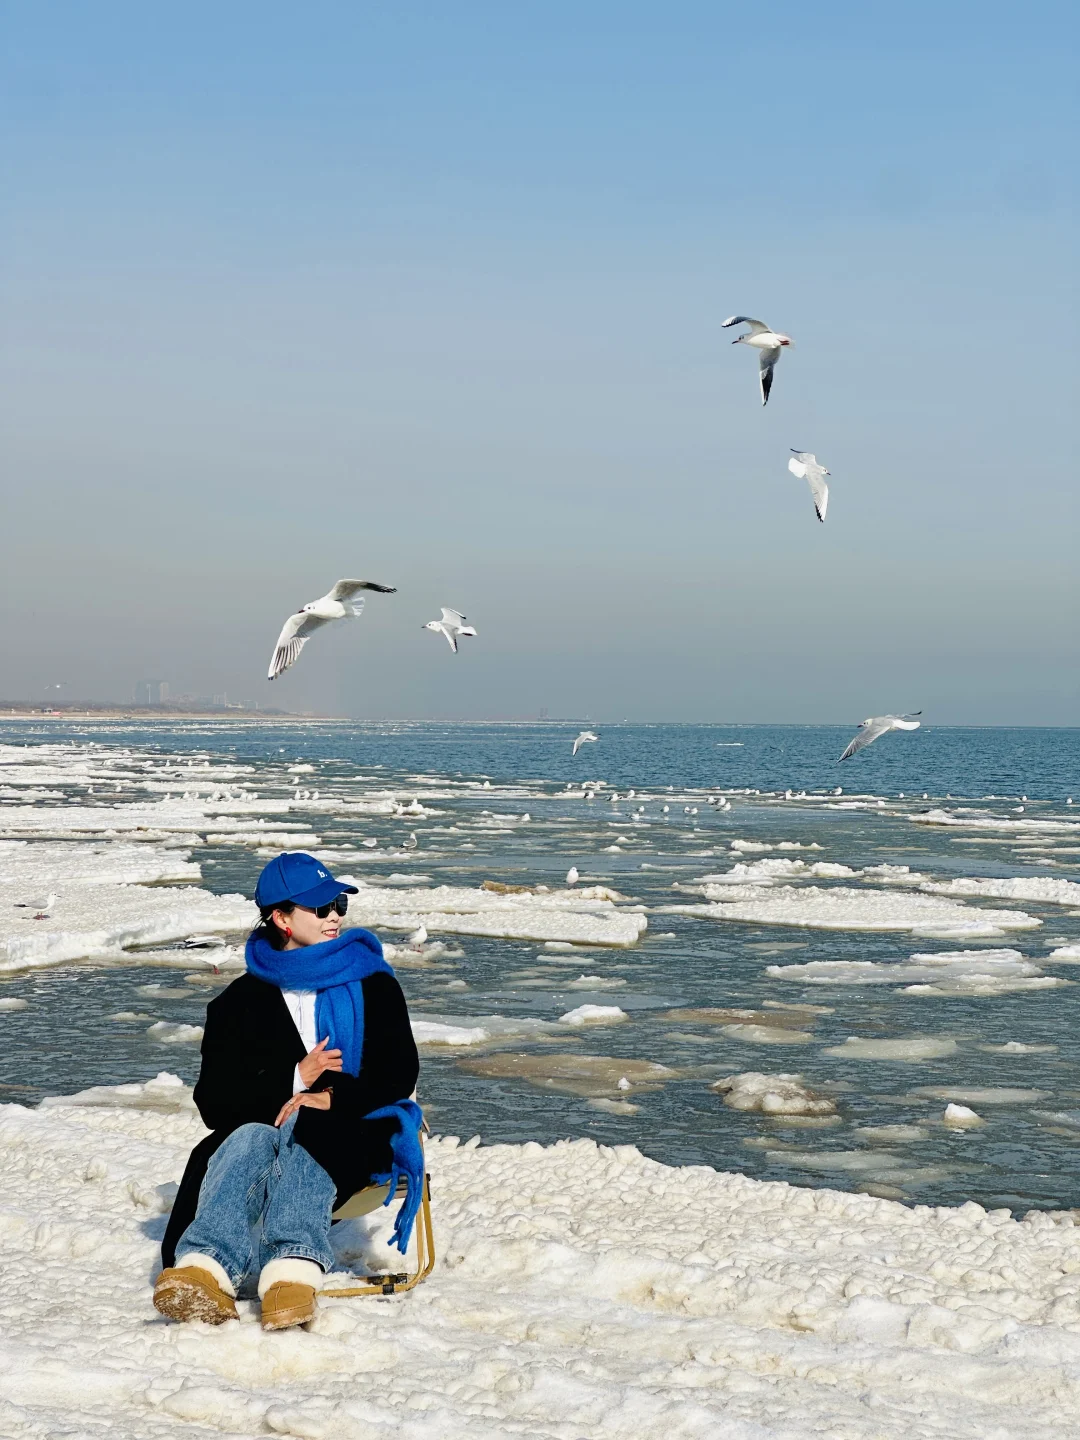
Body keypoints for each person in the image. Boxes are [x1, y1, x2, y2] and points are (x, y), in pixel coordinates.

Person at [154, 852, 420, 1331]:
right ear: (280, 917)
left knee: (310, 1127)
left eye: (338, 903)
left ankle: (291, 1272)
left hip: (353, 1136)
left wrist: (329, 1098)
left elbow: (398, 1073)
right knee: (250, 1137)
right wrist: (295, 1079)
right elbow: (214, 1104)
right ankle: (204, 1272)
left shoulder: (374, 984)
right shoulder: (236, 1005)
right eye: (320, 908)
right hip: (257, 1139)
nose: (335, 914)